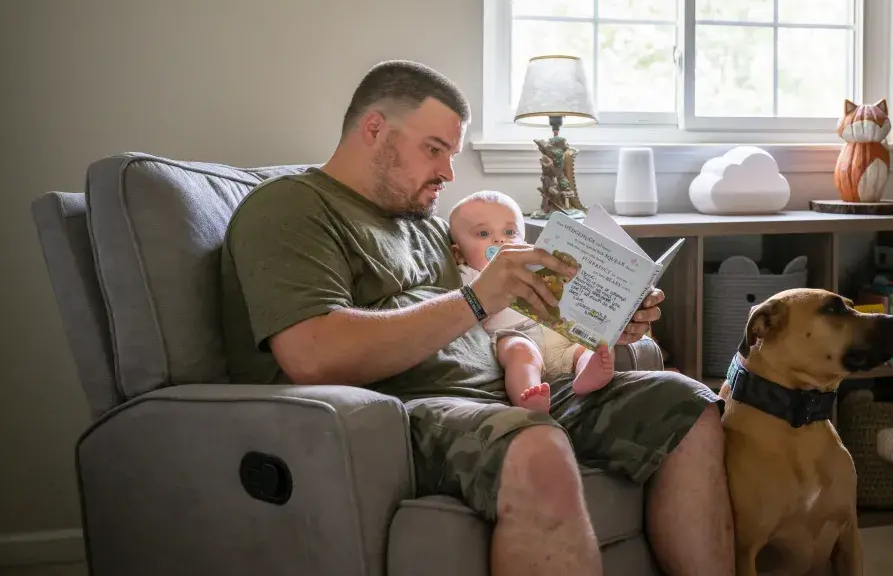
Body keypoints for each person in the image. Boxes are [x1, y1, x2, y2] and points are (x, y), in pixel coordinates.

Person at [219, 60, 734, 576]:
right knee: (536, 447)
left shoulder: (422, 226)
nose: (447, 172)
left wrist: (604, 319)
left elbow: (506, 316)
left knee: (685, 403)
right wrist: (477, 299)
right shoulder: (291, 209)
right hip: (405, 412)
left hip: (503, 394)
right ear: (374, 129)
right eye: (434, 149)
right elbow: (312, 353)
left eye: (451, 154)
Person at [448, 190, 615, 414]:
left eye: (509, 231)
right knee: (520, 352)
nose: (499, 240)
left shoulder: (535, 265)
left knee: (586, 345)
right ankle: (530, 395)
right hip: (514, 335)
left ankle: (588, 370)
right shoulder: (468, 275)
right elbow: (466, 314)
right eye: (483, 233)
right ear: (458, 253)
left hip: (556, 333)